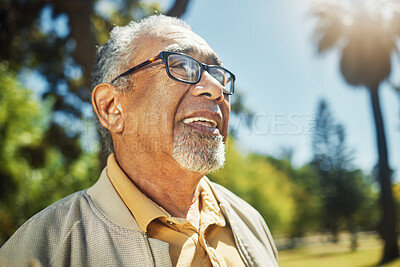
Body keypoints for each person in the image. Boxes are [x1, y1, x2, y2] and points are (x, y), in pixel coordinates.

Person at [0, 15, 278, 266]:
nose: (216, 88)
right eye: (181, 65)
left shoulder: (250, 222)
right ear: (111, 107)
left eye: (218, 74)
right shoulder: (41, 251)